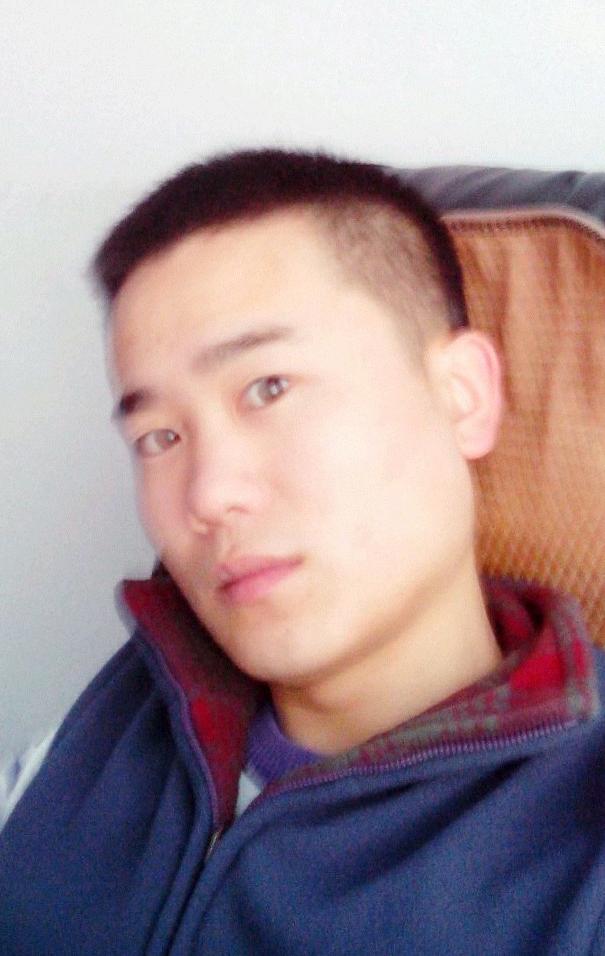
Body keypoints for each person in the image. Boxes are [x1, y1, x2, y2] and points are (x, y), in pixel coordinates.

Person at [1, 149, 604, 955]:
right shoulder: (121, 710)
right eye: (159, 437)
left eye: (269, 388)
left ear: (462, 395)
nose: (206, 496)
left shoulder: (579, 849)